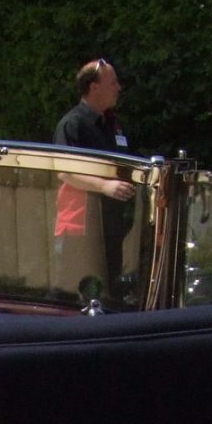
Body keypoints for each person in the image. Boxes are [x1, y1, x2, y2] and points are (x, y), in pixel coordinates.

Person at [53, 59, 140, 303]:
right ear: (94, 87)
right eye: (113, 83)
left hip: (110, 225)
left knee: (109, 293)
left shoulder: (113, 124)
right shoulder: (73, 124)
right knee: (73, 293)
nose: (119, 88)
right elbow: (64, 171)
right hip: (80, 225)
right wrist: (104, 186)